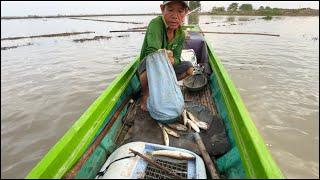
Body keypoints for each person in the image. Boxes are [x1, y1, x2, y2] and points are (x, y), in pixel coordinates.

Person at [138, 1, 194, 111]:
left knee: (189, 68)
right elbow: (152, 52)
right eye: (170, 10)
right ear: (162, 9)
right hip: (148, 69)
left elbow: (177, 57)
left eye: (180, 11)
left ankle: (165, 87)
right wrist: (166, 55)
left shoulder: (181, 34)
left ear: (185, 12)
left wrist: (172, 60)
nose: (175, 16)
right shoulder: (156, 24)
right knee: (152, 60)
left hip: (167, 68)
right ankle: (146, 96)